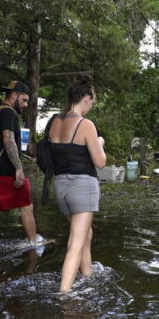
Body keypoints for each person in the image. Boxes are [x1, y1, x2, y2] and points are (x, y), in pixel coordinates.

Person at [48, 74, 106, 292]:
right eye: (93, 101)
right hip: (82, 187)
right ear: (87, 98)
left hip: (61, 186)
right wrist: (99, 142)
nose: (91, 105)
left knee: (85, 234)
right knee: (75, 242)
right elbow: (100, 162)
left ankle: (88, 274)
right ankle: (65, 293)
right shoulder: (86, 124)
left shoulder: (54, 122)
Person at [0, 80, 41, 248]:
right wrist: (19, 168)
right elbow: (8, 140)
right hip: (7, 171)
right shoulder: (9, 113)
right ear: (14, 95)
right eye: (24, 100)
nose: (25, 104)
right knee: (26, 206)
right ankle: (33, 243)